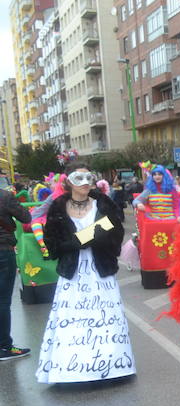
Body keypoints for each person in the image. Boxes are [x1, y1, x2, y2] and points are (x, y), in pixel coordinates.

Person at [36, 163, 134, 383]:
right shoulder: (58, 207)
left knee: (105, 318)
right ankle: (74, 369)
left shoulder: (104, 203)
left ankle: (112, 367)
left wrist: (97, 236)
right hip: (73, 271)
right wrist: (79, 241)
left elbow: (115, 230)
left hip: (101, 268)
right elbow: (53, 244)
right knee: (73, 320)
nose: (85, 183)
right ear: (68, 181)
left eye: (89, 177)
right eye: (79, 178)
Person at [0, 183, 32, 360]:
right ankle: (4, 347)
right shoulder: (4, 197)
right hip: (2, 251)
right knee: (2, 301)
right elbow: (26, 217)